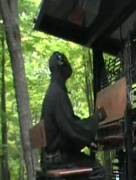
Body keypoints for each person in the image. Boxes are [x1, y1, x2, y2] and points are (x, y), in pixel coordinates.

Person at [40, 52, 106, 180]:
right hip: (59, 161)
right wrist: (97, 118)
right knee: (98, 172)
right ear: (61, 68)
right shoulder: (56, 93)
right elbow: (72, 129)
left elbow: (70, 125)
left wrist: (87, 140)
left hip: (52, 158)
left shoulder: (54, 91)